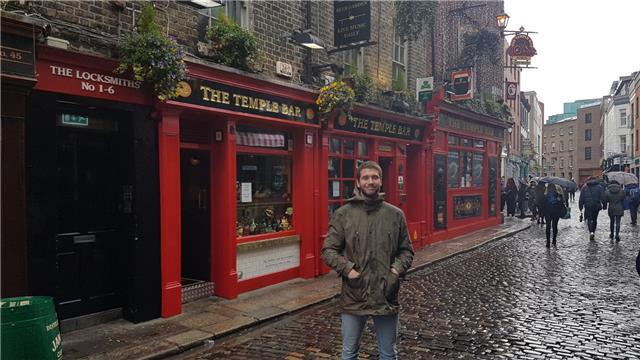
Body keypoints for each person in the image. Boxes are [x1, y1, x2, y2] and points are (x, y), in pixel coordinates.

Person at [322, 161, 414, 360]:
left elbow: (406, 251)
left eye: (374, 177)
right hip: (354, 294)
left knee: (388, 354)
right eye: (365, 177)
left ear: (381, 181)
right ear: (358, 181)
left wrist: (395, 271)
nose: (370, 181)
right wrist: (348, 270)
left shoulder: (395, 215)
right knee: (349, 353)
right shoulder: (343, 214)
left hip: (385, 294)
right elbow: (328, 250)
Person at [579, 176, 605, 240]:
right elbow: (603, 197)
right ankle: (593, 231)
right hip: (596, 206)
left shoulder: (584, 187)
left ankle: (591, 232)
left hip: (588, 206)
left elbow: (581, 198)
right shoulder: (599, 187)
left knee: (589, 219)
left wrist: (580, 206)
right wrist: (604, 205)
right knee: (595, 219)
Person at [543, 183, 567, 248]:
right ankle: (554, 240)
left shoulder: (545, 196)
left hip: (547, 213)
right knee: (555, 226)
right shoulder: (558, 195)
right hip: (556, 213)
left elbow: (542, 205)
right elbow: (562, 203)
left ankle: (548, 242)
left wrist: (541, 214)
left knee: (548, 227)